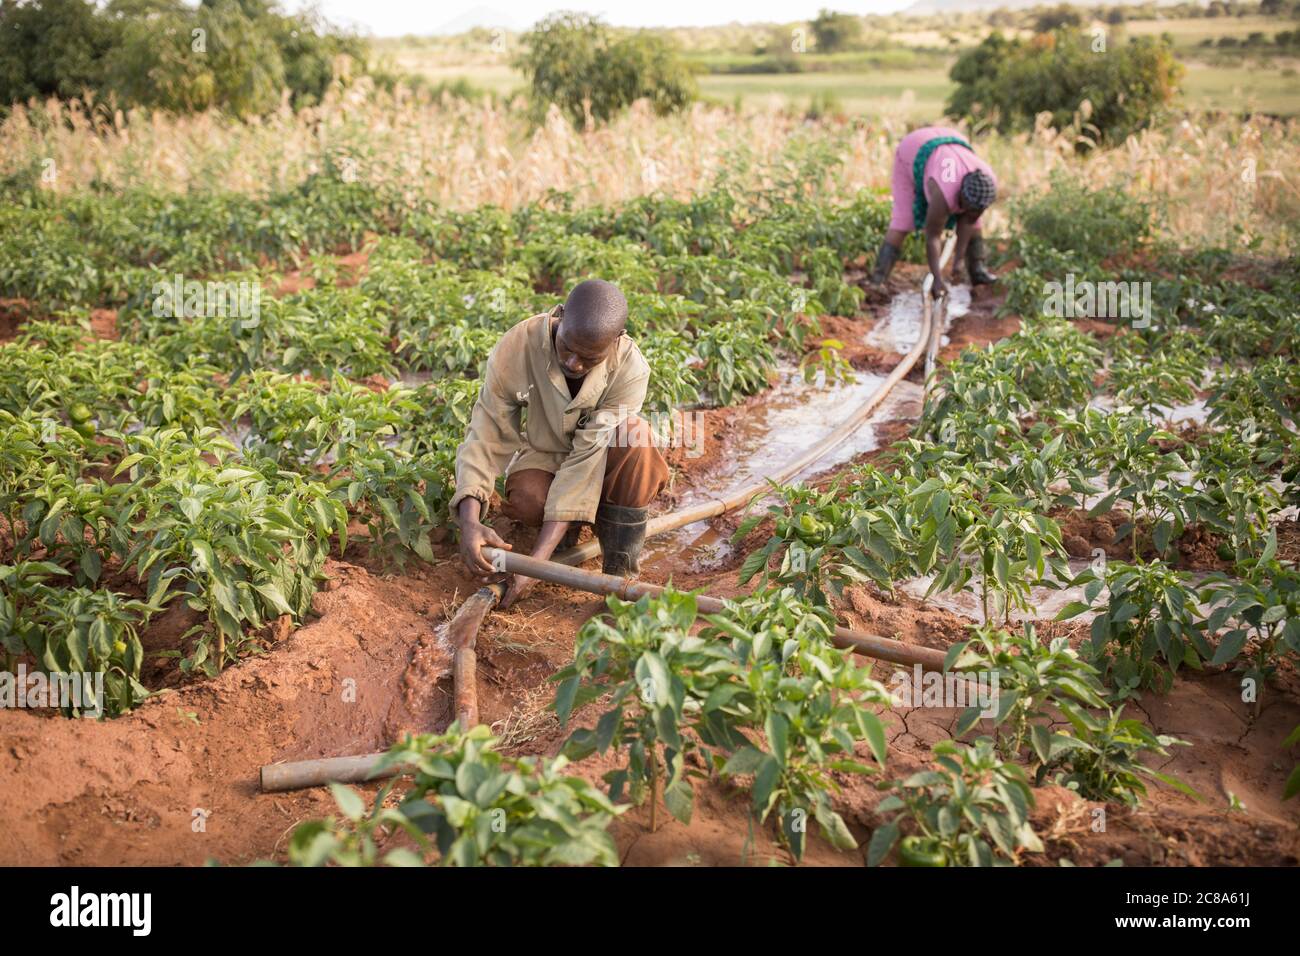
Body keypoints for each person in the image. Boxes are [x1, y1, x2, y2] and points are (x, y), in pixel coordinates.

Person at [451, 279, 669, 608]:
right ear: (560, 315)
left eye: (589, 358)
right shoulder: (519, 346)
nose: (574, 364)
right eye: (567, 347)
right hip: (547, 453)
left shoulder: (630, 368)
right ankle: (566, 530)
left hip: (605, 460)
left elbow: (587, 456)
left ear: (616, 340)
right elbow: (487, 431)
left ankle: (619, 570)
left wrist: (536, 564)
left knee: (635, 436)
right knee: (527, 499)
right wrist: (469, 520)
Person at [870, 125, 999, 296]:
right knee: (903, 220)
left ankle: (977, 272)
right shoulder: (943, 193)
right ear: (960, 196)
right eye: (967, 209)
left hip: (952, 139)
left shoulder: (986, 182)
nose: (971, 215)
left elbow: (968, 220)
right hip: (914, 148)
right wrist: (937, 280)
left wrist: (958, 262)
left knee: (975, 222)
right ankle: (877, 279)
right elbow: (933, 237)